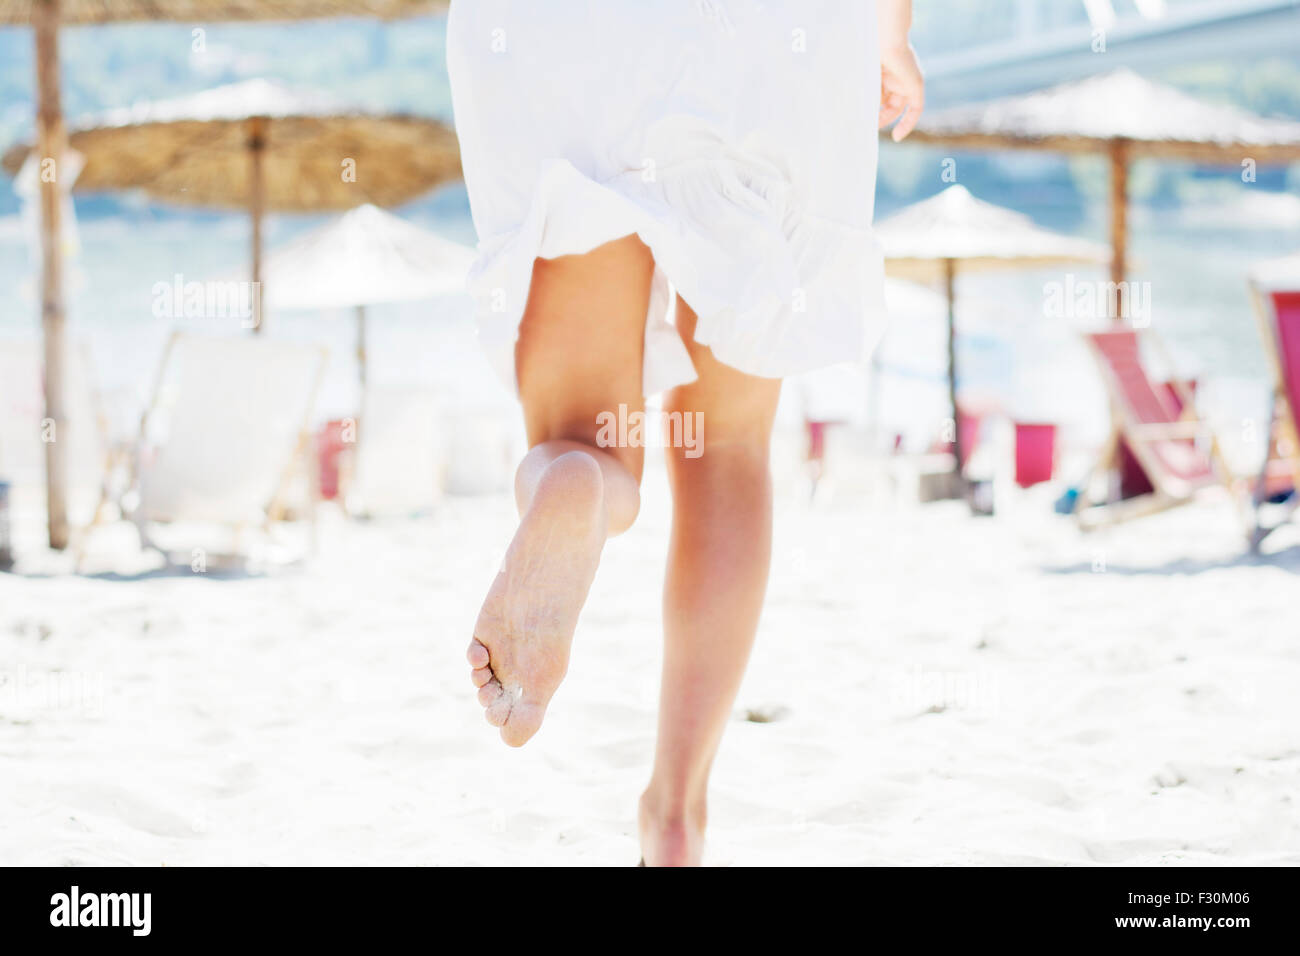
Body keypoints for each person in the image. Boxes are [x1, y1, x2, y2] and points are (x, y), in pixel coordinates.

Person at [447, 0, 924, 866]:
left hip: (570, 34)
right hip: (777, 45)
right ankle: (676, 810)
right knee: (728, 448)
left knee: (580, 432)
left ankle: (582, 488)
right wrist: (891, 31)